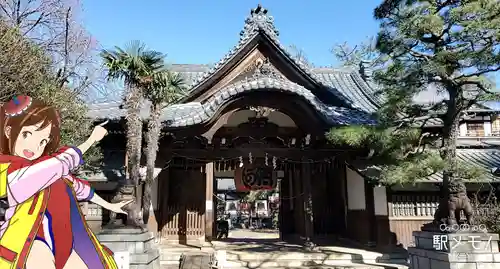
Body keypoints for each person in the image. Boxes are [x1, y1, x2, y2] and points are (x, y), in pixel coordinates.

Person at [0, 95, 131, 269]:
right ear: (9, 131)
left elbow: (78, 187)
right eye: (27, 134)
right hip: (25, 239)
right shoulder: (8, 170)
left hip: (61, 239)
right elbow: (58, 165)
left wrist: (109, 205)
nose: (34, 147)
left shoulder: (46, 169)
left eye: (43, 141)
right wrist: (91, 141)